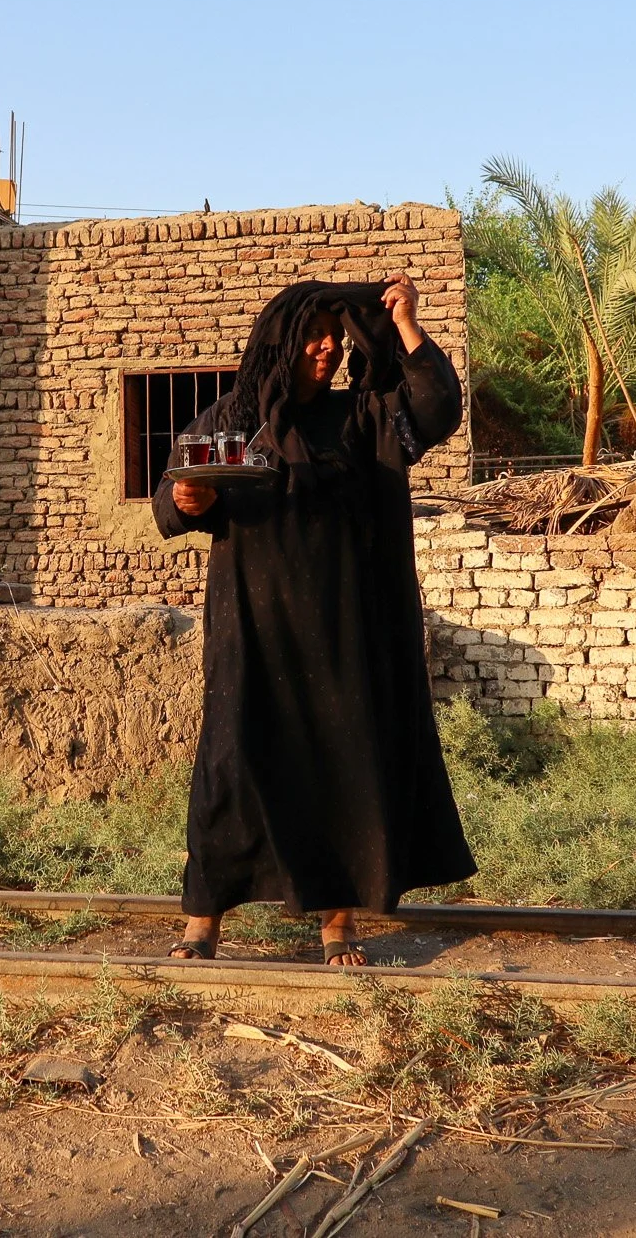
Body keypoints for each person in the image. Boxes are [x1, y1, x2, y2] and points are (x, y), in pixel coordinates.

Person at [153, 271, 474, 966]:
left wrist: (408, 323)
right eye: (314, 338)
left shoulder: (362, 416)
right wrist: (191, 499)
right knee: (231, 768)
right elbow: (169, 502)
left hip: (341, 633)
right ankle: (203, 922)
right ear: (282, 344)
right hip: (253, 633)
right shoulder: (233, 422)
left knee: (340, 772)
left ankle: (337, 923)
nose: (326, 349)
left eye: (336, 337)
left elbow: (436, 406)